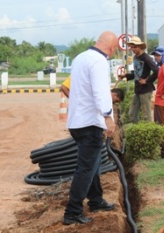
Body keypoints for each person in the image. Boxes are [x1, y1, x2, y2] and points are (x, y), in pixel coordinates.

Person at [63, 31, 118, 225]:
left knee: (93, 164)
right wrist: (108, 118)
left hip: (77, 122)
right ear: (111, 48)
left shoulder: (81, 58)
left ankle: (96, 200)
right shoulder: (99, 62)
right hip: (90, 123)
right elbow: (101, 91)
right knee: (85, 168)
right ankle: (72, 212)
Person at [118, 36, 159, 123]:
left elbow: (157, 71)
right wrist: (125, 75)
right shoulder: (136, 57)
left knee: (146, 116)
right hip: (138, 90)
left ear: (140, 47)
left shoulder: (146, 58)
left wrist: (146, 81)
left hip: (146, 90)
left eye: (135, 47)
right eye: (131, 47)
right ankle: (139, 131)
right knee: (132, 114)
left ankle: (147, 133)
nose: (133, 49)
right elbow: (137, 74)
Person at [60, 76, 125, 103]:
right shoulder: (78, 75)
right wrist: (74, 100)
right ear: (115, 95)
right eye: (115, 101)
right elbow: (63, 87)